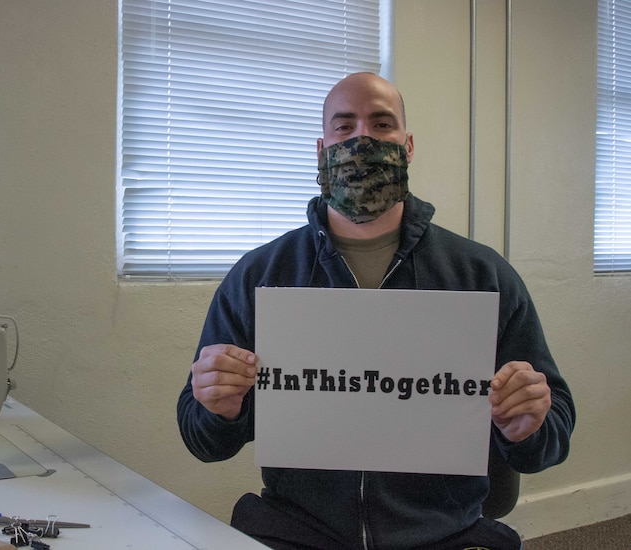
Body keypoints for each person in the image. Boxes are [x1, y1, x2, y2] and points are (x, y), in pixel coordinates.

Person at [176, 72, 575, 550]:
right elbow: (202, 441)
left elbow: (553, 431)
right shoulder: (262, 274)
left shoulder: (481, 275)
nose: (362, 138)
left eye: (381, 124)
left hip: (446, 532)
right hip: (299, 531)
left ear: (407, 147)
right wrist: (216, 408)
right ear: (320, 150)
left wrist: (527, 424)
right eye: (344, 127)